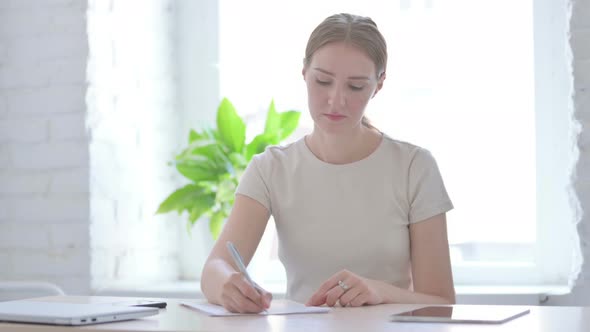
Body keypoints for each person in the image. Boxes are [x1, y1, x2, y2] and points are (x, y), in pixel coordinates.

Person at [201, 13, 455, 313]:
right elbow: (214, 269)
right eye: (323, 81)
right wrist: (228, 283)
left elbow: (441, 304)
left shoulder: (414, 167)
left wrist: (379, 291)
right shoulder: (271, 168)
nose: (336, 101)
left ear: (379, 85)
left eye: (356, 87)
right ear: (304, 72)